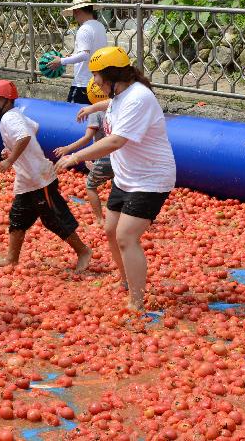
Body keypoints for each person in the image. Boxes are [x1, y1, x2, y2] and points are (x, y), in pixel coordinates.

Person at [55, 46, 176, 313]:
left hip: (150, 178)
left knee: (125, 236)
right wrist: (92, 108)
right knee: (111, 230)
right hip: (127, 177)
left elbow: (116, 140)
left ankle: (137, 299)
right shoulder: (121, 94)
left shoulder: (139, 98)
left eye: (97, 76)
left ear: (111, 76)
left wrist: (75, 157)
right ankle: (124, 279)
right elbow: (112, 104)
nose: (94, 81)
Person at [0, 79, 93, 270]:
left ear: (4, 101)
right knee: (18, 217)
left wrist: (10, 159)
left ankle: (83, 251)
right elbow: (33, 128)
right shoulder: (15, 115)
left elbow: (24, 136)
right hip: (27, 179)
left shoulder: (9, 118)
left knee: (53, 218)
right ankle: (11, 258)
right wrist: (11, 150)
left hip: (40, 179)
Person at [54, 78, 114, 225]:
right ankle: (121, 217)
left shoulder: (96, 112)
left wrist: (68, 149)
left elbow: (88, 138)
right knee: (119, 186)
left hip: (105, 157)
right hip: (119, 157)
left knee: (90, 185)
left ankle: (100, 219)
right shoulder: (114, 109)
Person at [43, 0, 108, 104]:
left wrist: (61, 61)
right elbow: (92, 52)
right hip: (98, 82)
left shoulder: (84, 29)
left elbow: (84, 55)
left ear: (76, 11)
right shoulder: (100, 26)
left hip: (82, 84)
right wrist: (73, 56)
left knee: (73, 116)